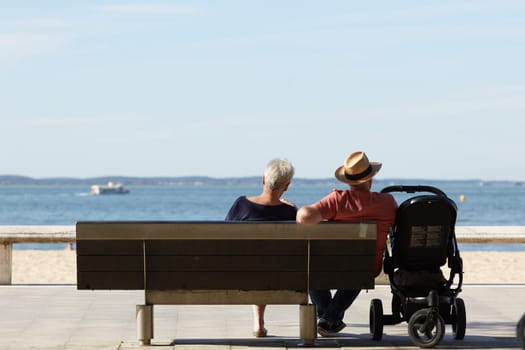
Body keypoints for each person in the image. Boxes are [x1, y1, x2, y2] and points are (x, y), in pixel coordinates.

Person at [296, 151, 397, 337]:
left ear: (348, 181)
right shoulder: (387, 203)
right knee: (358, 267)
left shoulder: (337, 201)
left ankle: (328, 317)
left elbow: (304, 217)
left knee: (311, 269)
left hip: (332, 267)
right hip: (367, 268)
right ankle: (330, 319)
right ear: (371, 179)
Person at [225, 158, 297, 337]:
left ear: (263, 179)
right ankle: (259, 322)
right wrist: (294, 209)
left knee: (255, 263)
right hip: (282, 275)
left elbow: (224, 239)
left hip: (241, 274)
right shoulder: (289, 212)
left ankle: (258, 322)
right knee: (266, 264)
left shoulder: (241, 204)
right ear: (286, 186)